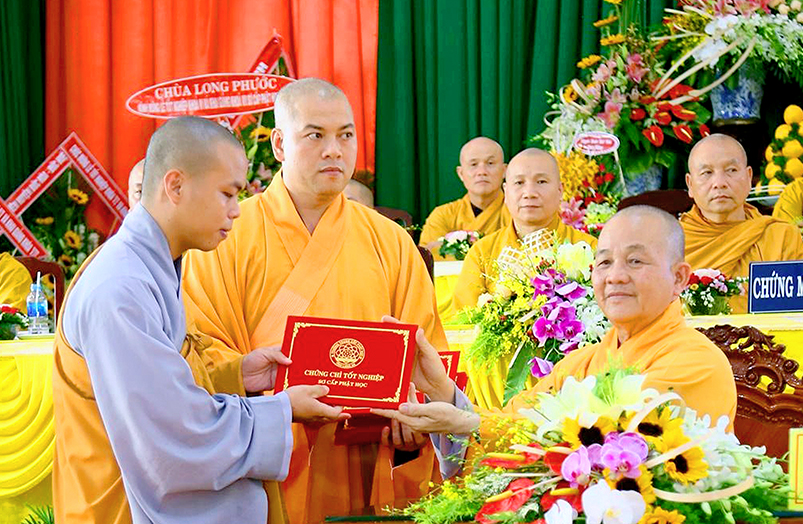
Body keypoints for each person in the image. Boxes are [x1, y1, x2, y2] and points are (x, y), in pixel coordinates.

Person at [52, 116, 345, 524]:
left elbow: (163, 386)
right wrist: (280, 411)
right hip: (118, 508)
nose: (236, 211)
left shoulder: (151, 267)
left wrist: (237, 376)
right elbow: (171, 436)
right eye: (227, 194)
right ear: (175, 186)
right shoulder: (120, 288)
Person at [182, 78, 447, 524]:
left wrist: (415, 411)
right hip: (267, 456)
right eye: (315, 135)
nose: (334, 150)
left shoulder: (390, 241)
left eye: (346, 135)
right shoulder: (227, 235)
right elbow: (200, 350)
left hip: (367, 457)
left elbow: (427, 349)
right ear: (279, 144)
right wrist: (266, 392)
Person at [373, 206, 737, 441]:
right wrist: (441, 389)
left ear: (679, 278)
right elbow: (514, 420)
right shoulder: (581, 363)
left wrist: (469, 424)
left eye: (635, 261)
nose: (615, 276)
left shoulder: (696, 362)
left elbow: (610, 443)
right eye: (604, 262)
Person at [451, 149, 597, 313]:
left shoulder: (589, 248)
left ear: (560, 190)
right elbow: (464, 318)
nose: (529, 193)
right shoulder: (482, 252)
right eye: (519, 183)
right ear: (506, 192)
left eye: (541, 182)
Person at [681, 134, 803, 313]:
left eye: (731, 170)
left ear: (748, 177)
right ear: (690, 184)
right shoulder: (672, 242)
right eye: (707, 173)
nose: (719, 183)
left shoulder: (781, 236)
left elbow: (795, 313)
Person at [419, 137, 510, 259]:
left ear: (504, 171)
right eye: (473, 164)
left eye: (490, 163)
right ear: (461, 173)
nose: (482, 171)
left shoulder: (516, 213)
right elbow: (429, 258)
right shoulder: (443, 215)